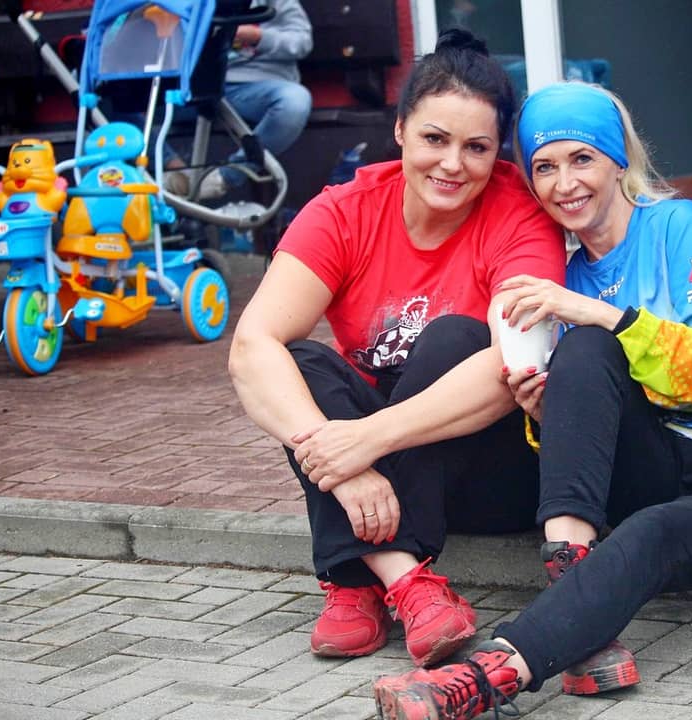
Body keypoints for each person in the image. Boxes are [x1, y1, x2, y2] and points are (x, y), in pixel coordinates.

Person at [371, 81, 692, 720]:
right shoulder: (569, 274)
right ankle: (571, 584)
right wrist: (542, 412)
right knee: (582, 357)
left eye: (581, 159)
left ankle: (480, 681)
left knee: (645, 524)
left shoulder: (680, 227)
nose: (564, 184)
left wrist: (600, 314)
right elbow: (595, 417)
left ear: (618, 160)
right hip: (657, 470)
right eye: (544, 168)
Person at [227, 29, 566, 669]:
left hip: (491, 471)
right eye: (435, 138)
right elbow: (251, 348)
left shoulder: (519, 215)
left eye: (476, 147)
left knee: (457, 338)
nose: (452, 164)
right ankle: (402, 582)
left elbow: (512, 364)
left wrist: (367, 439)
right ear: (402, 130)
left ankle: (353, 575)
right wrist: (350, 465)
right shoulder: (345, 211)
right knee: (297, 362)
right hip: (375, 472)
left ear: (498, 153)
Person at [167, 0, 313, 199]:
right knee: (123, 102)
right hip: (188, 88)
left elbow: (302, 41)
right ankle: (174, 173)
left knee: (295, 102)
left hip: (255, 86)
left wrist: (257, 36)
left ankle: (222, 178)